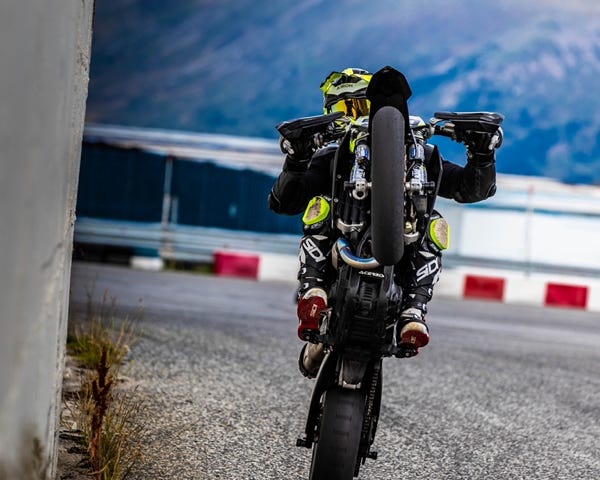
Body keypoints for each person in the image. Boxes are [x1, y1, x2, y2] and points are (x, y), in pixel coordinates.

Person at [268, 67, 501, 377]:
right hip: (337, 258)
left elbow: (469, 188)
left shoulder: (421, 156)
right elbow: (284, 202)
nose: (358, 118)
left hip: (402, 265)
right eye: (344, 109)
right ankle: (312, 290)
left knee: (435, 224)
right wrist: (295, 160)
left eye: (363, 106)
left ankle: (414, 310)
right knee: (318, 206)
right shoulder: (332, 158)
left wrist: (482, 154)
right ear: (330, 115)